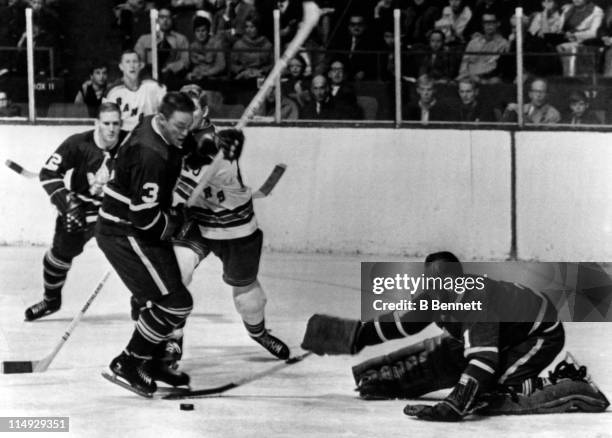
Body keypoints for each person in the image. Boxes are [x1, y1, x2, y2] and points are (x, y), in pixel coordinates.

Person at [302, 251, 609, 421]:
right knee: (451, 365)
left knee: (495, 394)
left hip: (541, 332)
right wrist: (350, 336)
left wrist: (454, 405)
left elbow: (483, 359)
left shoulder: (475, 301)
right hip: (505, 332)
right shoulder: (431, 295)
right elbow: (397, 324)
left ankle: (569, 381)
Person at [170, 90, 290, 361]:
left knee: (250, 301)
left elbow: (205, 165)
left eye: (194, 110)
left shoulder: (220, 144)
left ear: (204, 112)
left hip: (234, 226)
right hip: (198, 222)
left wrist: (212, 153)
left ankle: (259, 333)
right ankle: (173, 340)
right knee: (176, 273)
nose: (188, 117)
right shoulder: (174, 136)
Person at [96, 92, 195, 396]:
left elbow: (181, 144)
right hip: (125, 232)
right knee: (175, 303)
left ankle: (151, 363)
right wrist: (177, 222)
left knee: (163, 302)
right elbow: (145, 220)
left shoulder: (152, 122)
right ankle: (128, 363)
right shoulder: (150, 154)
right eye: (180, 126)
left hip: (132, 227)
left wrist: (203, 145)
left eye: (189, 126)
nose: (184, 132)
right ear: (163, 120)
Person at [24, 103, 123, 321]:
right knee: (58, 256)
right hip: (82, 209)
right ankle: (51, 301)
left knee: (137, 257)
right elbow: (48, 173)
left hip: (117, 212)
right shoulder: (78, 143)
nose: (111, 129)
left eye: (116, 123)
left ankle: (143, 305)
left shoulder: (130, 144)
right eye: (106, 123)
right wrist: (67, 203)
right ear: (96, 123)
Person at [103, 50, 167, 132]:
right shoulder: (112, 92)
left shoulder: (153, 86)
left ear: (141, 65)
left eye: (135, 61)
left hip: (149, 137)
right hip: (123, 137)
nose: (132, 65)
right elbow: (106, 120)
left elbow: (167, 111)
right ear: (121, 66)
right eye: (127, 62)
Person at [134, 7, 190, 82]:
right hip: (148, 78)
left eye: (168, 17)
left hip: (173, 78)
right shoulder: (144, 39)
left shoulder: (181, 39)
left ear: (172, 20)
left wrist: (170, 67)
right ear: (157, 20)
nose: (165, 20)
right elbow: (138, 60)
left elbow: (185, 61)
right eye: (162, 17)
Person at [457, 12, 509, 83]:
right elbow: (464, 62)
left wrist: (478, 78)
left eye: (492, 22)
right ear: (482, 25)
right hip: (468, 77)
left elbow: (496, 67)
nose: (488, 25)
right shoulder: (473, 42)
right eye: (486, 23)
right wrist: (465, 74)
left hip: (487, 79)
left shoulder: (503, 44)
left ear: (498, 23)